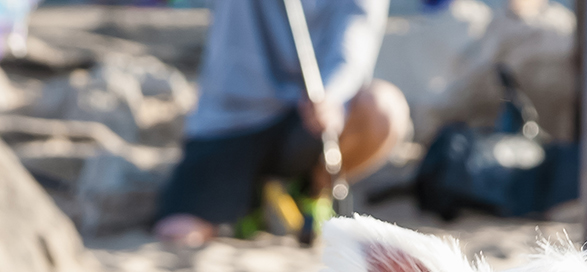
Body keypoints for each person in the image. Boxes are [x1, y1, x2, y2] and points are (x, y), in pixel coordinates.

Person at [153, 0, 410, 245]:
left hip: (308, 117)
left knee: (384, 108)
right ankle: (255, 205)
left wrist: (331, 96)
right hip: (230, 120)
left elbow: (355, 42)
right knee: (179, 233)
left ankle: (311, 190)